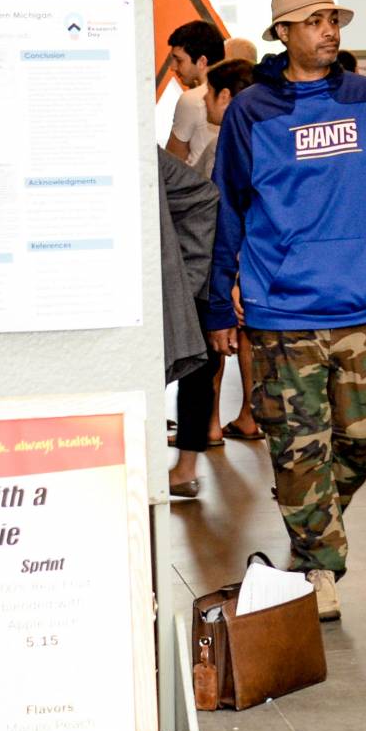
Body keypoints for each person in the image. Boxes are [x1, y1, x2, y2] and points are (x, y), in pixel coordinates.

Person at [205, 0, 366, 622]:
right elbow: (229, 210)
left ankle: (311, 526)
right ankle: (321, 566)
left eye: (334, 18)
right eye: (316, 20)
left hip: (363, 303)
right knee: (298, 448)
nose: (330, 30)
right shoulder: (252, 112)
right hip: (281, 310)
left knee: (364, 440)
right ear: (284, 32)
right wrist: (222, 301)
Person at [198, 58, 263, 443]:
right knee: (249, 338)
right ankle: (249, 416)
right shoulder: (270, 137)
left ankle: (209, 423)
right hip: (255, 261)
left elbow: (216, 212)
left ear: (225, 96)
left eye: (208, 93)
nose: (204, 101)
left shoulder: (220, 146)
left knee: (216, 344)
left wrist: (228, 277)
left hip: (224, 261)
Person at [160, 149, 221, 498]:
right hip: (196, 279)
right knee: (200, 372)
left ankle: (184, 469)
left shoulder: (143, 156)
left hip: (183, 281)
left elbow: (204, 196)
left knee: (198, 371)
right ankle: (186, 467)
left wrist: (188, 277)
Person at [165, 20, 227, 170]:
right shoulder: (235, 92)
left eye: (179, 60)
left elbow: (172, 161)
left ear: (202, 61)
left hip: (198, 189)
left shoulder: (191, 99)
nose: (173, 67)